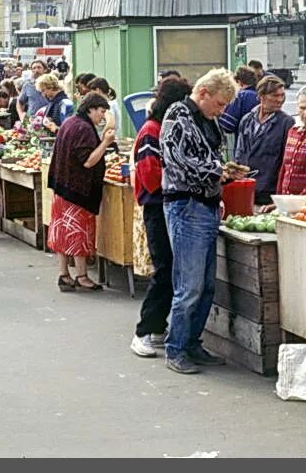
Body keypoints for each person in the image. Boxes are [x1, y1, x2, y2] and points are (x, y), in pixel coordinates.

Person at [160, 69, 239, 374]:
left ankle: (192, 342)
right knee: (189, 285)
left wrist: (223, 170)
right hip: (186, 205)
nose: (221, 111)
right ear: (204, 93)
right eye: (219, 104)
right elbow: (178, 160)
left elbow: (206, 157)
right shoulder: (177, 115)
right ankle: (176, 347)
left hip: (204, 205)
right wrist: (218, 171)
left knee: (205, 286)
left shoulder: (206, 118)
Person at [130, 78, 193, 358]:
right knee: (165, 269)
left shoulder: (159, 129)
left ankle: (157, 327)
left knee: (170, 269)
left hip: (166, 203)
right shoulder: (151, 132)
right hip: (158, 206)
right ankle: (143, 331)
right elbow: (149, 173)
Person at [47, 92, 115, 293]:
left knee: (62, 231)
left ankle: (64, 274)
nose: (102, 116)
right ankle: (82, 276)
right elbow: (88, 161)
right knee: (78, 233)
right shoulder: (84, 128)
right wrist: (105, 143)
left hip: (62, 188)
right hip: (77, 190)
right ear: (91, 109)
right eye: (101, 111)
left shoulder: (69, 122)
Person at [234, 75, 295, 207]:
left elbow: (287, 161)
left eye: (282, 95)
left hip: (268, 191)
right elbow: (239, 152)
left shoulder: (286, 122)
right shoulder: (247, 120)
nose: (280, 100)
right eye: (275, 95)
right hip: (245, 187)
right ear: (261, 95)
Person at [218, 66, 259, 143]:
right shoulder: (259, 95)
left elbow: (227, 125)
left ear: (239, 82)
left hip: (244, 147)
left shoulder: (241, 96)